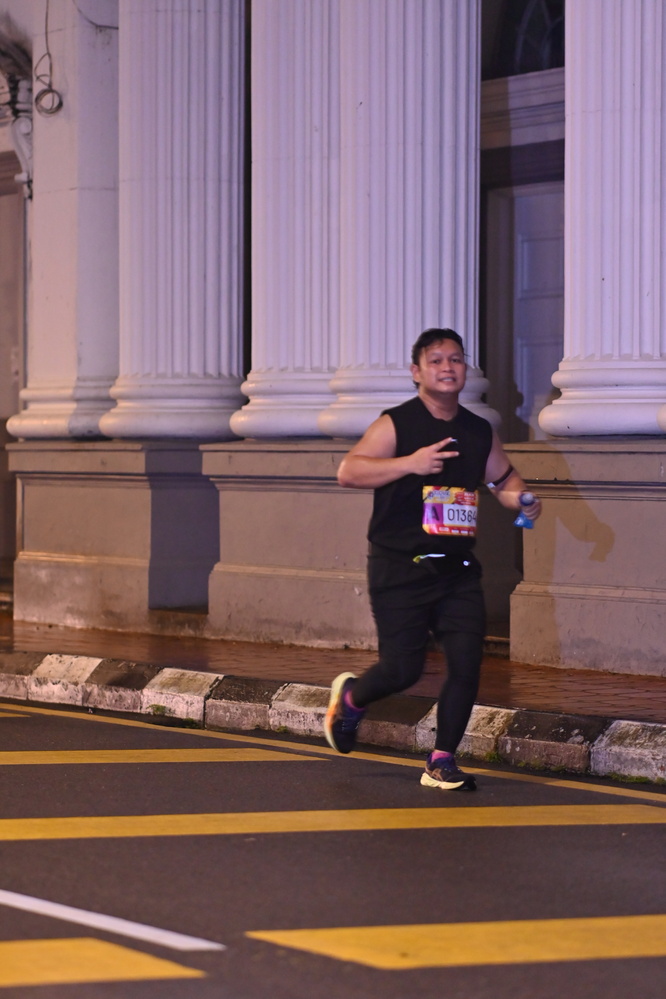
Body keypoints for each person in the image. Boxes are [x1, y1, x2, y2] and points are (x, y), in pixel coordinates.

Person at [324, 328, 541, 791]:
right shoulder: (397, 424)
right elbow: (349, 471)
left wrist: (522, 499)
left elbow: (502, 480)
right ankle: (352, 698)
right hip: (400, 565)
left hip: (456, 568)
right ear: (417, 372)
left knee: (466, 662)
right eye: (437, 360)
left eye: (456, 359)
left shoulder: (477, 430)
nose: (448, 367)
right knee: (402, 670)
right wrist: (411, 463)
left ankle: (442, 759)